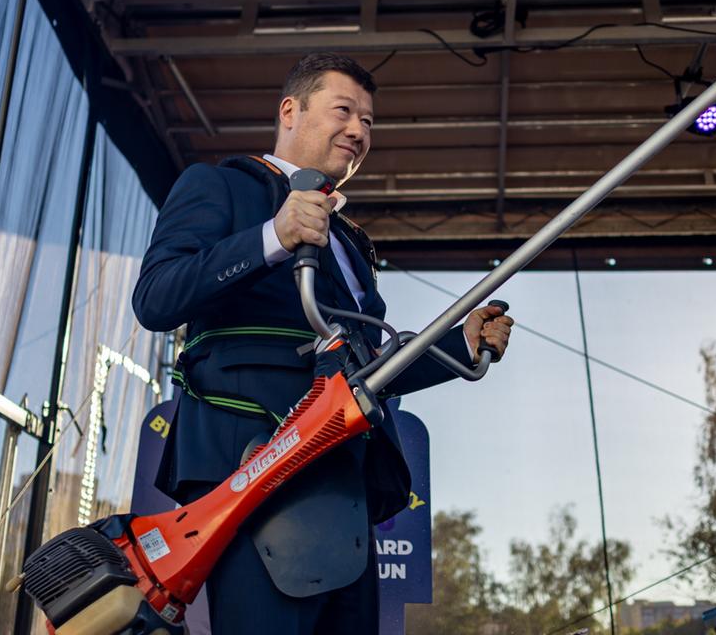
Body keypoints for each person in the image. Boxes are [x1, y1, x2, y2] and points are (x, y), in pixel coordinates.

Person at [132, 53, 515, 634]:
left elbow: (364, 369)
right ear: (291, 110)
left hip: (343, 480)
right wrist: (273, 237)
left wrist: (458, 346)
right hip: (253, 464)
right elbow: (156, 297)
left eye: (369, 121)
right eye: (345, 111)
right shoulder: (220, 186)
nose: (359, 131)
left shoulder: (352, 244)